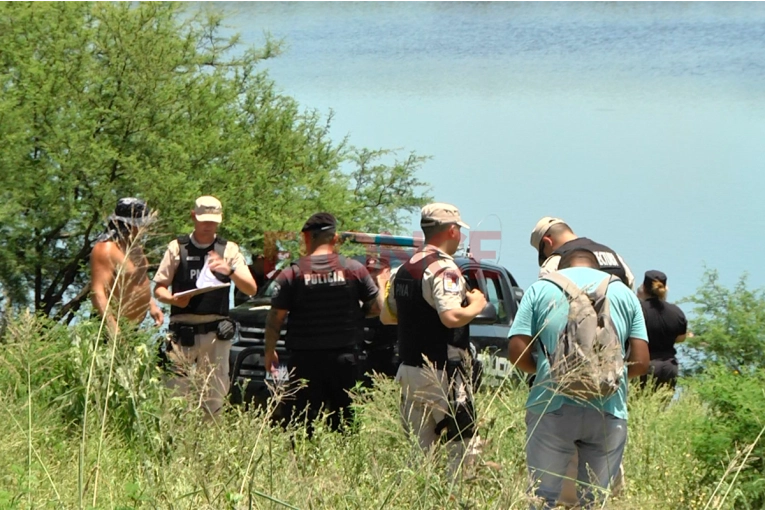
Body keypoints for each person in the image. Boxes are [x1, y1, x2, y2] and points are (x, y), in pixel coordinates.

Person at [508, 249, 650, 509]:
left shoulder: (540, 289)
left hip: (551, 405)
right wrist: (606, 377)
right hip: (609, 407)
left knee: (542, 497)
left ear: (561, 268)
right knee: (592, 501)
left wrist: (547, 373)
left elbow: (517, 353)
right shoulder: (626, 295)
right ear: (598, 269)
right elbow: (641, 363)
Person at [380, 202, 487, 477]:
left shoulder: (405, 268)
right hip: (442, 372)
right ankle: (455, 498)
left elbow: (387, 316)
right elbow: (451, 317)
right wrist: (476, 304)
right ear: (452, 230)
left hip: (409, 369)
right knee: (463, 447)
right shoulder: (444, 270)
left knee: (420, 451)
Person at [263, 212, 384, 433]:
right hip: (345, 360)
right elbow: (377, 307)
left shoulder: (292, 273)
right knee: (347, 426)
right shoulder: (354, 269)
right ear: (335, 238)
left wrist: (269, 350)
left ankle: (303, 465)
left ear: (307, 238)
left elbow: (275, 317)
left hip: (305, 360)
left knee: (301, 427)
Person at [153, 195, 258, 416]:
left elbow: (251, 289)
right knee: (175, 400)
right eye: (204, 220)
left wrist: (229, 270)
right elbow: (159, 288)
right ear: (193, 216)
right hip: (182, 333)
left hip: (216, 334)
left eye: (213, 220)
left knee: (214, 400)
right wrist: (172, 300)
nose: (208, 225)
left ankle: (209, 445)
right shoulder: (177, 247)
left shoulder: (228, 249)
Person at [90, 197, 163, 335]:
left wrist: (152, 305)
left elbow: (139, 279)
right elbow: (97, 292)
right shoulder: (106, 249)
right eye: (142, 224)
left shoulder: (134, 247)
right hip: (110, 329)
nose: (145, 228)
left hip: (133, 329)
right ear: (128, 224)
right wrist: (113, 328)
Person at [530, 216, 635, 288]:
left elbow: (545, 302)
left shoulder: (555, 260)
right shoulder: (614, 255)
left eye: (544, 254)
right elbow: (631, 294)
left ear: (548, 242)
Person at [638, 270, 688, 390]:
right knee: (661, 406)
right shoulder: (676, 312)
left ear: (643, 288)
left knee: (639, 404)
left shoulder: (638, 311)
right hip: (669, 367)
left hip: (645, 365)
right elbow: (681, 338)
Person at [360, 255, 399, 382]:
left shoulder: (391, 290)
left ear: (387, 271)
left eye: (377, 270)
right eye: (370, 271)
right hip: (367, 352)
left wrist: (381, 285)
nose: (372, 274)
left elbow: (384, 310)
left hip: (389, 351)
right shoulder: (365, 290)